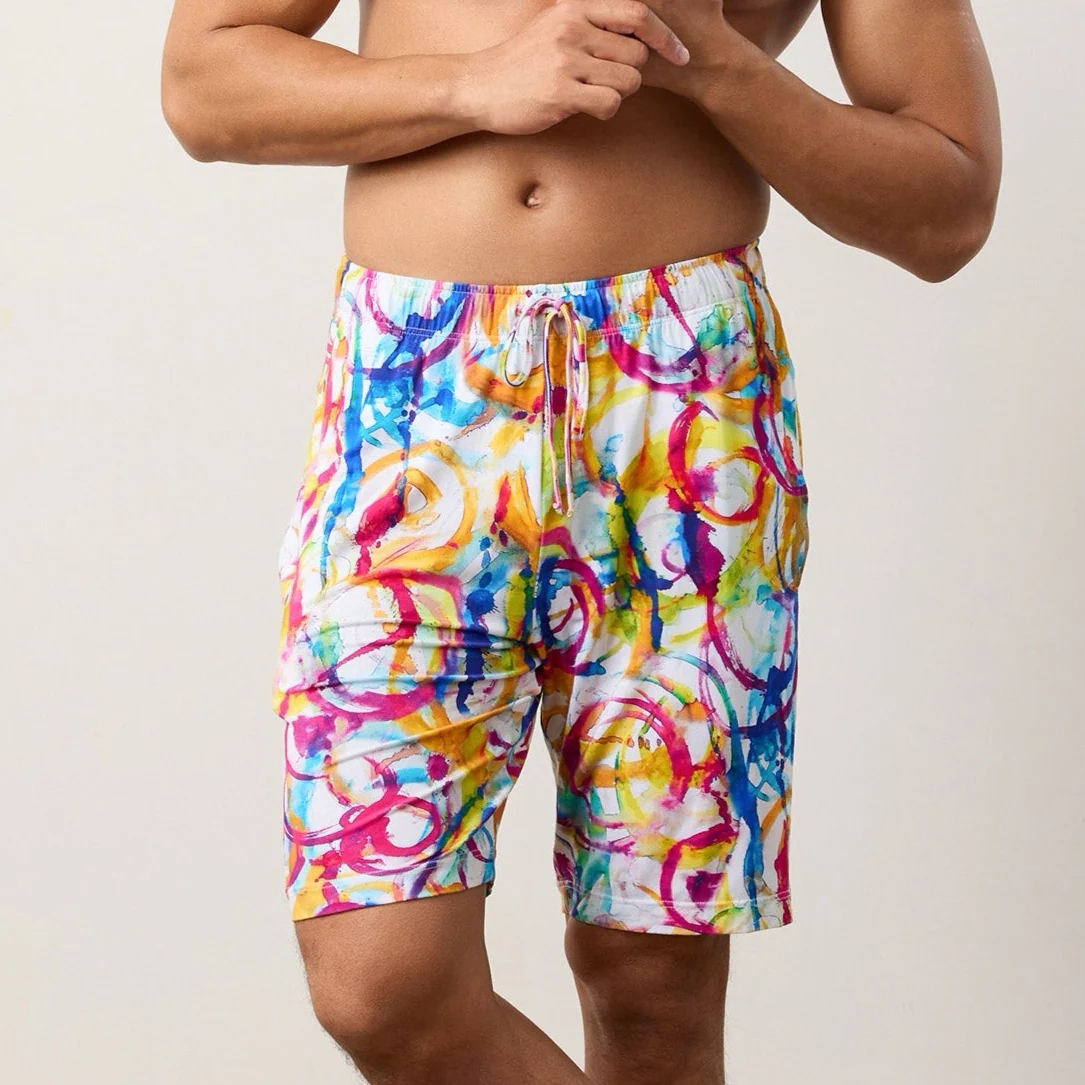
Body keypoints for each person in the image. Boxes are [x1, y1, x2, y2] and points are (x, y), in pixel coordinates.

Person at [161, 1, 1001, 1081]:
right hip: (416, 403)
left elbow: (945, 208)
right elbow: (203, 83)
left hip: (683, 418)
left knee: (651, 990)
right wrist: (474, 82)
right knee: (379, 985)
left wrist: (713, 61)